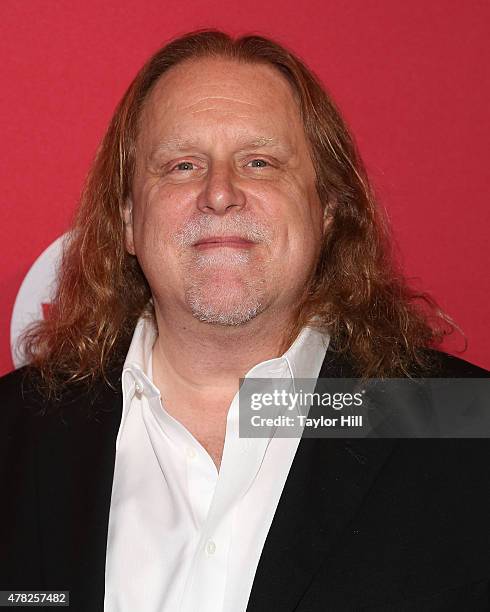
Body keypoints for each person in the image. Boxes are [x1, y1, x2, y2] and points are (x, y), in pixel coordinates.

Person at [1, 30, 488, 612]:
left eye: (259, 162)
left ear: (326, 210)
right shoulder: (14, 435)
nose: (220, 192)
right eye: (182, 165)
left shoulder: (467, 430)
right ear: (128, 221)